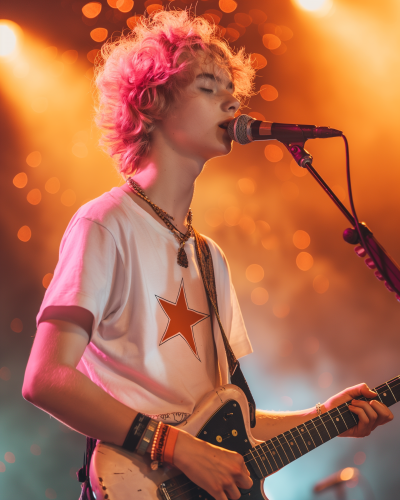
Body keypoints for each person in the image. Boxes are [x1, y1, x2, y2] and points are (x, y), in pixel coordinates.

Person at [22, 9, 393, 500]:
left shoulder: (209, 257)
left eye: (230, 87)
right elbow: (45, 379)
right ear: (152, 102)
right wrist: (175, 447)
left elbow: (229, 427)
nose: (232, 100)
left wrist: (325, 418)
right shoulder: (105, 223)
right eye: (208, 86)